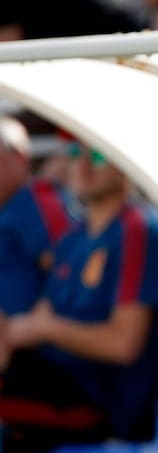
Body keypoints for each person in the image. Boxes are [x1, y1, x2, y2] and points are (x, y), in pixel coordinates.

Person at [0, 143, 158, 453]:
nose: (83, 165)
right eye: (74, 154)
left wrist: (47, 329)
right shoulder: (75, 238)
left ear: (125, 163)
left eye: (97, 156)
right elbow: (39, 316)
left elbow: (124, 344)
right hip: (47, 380)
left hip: (100, 402)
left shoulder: (139, 230)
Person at [0, 117, 76, 324]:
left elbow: (66, 271)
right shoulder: (10, 205)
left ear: (19, 157)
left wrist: (30, 327)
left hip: (27, 338)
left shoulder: (36, 201)